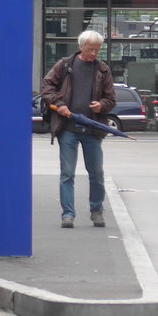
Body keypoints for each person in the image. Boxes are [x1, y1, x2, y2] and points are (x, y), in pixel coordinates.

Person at [40, 30, 116, 229]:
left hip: (92, 129)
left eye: (97, 50)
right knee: (67, 173)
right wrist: (60, 104)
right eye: (90, 49)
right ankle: (68, 214)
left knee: (97, 173)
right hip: (68, 128)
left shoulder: (102, 69)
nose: (93, 53)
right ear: (80, 46)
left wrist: (102, 105)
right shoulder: (65, 65)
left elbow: (111, 99)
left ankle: (96, 210)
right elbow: (47, 87)